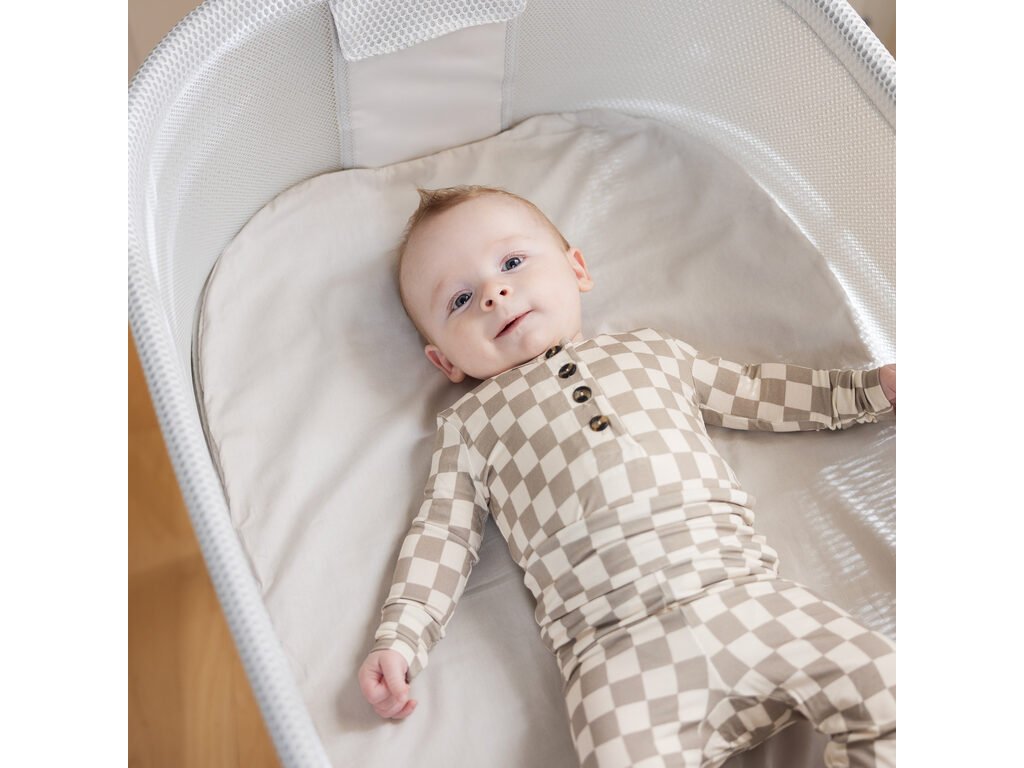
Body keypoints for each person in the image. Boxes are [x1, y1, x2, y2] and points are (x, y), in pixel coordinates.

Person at [357, 186, 896, 768]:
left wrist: (866, 391)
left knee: (891, 690)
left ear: (576, 269)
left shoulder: (651, 352)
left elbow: (754, 392)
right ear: (445, 361)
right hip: (613, 650)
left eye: (511, 262)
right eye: (461, 299)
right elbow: (441, 536)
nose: (494, 293)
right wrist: (400, 639)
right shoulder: (470, 426)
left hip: (742, 592)